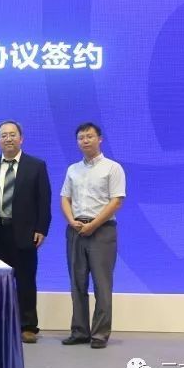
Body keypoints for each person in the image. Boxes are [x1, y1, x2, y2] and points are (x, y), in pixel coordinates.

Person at [0, 120, 51, 344]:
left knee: (26, 280)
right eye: (4, 135)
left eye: (12, 134)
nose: (8, 138)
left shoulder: (36, 166)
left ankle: (28, 326)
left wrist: (41, 228)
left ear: (21, 138)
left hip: (25, 232)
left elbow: (44, 201)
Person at [60, 122, 126, 349]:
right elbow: (65, 198)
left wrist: (95, 224)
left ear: (100, 139)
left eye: (89, 136)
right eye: (81, 137)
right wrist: (71, 221)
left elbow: (116, 201)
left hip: (102, 230)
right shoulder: (73, 169)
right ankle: (79, 331)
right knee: (77, 283)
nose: (85, 140)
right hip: (76, 229)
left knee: (102, 284)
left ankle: (99, 334)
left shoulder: (112, 168)